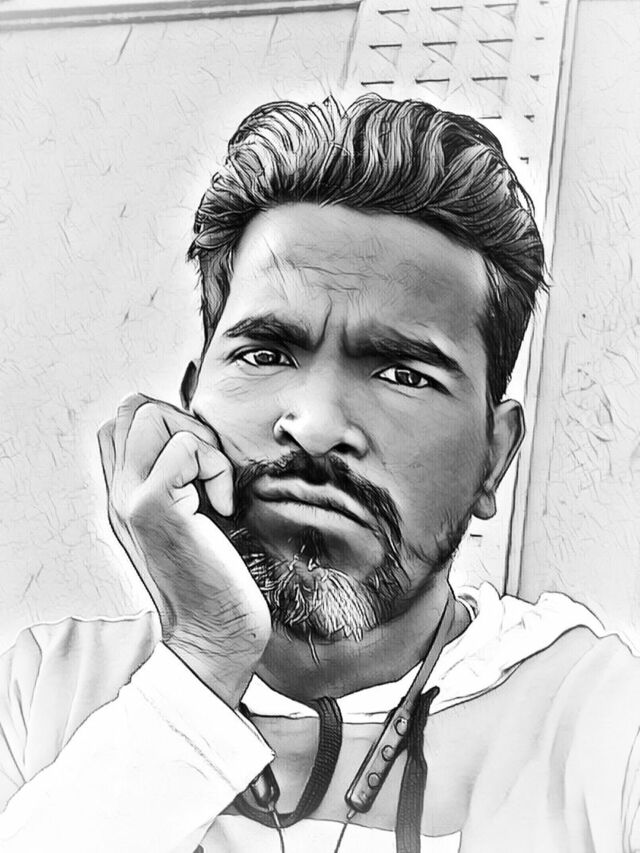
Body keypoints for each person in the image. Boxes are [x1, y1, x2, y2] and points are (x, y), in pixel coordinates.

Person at [0, 94, 638, 853]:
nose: (315, 422)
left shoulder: (599, 724)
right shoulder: (46, 691)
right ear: (190, 404)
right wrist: (201, 664)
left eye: (403, 373)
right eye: (266, 353)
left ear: (493, 458)